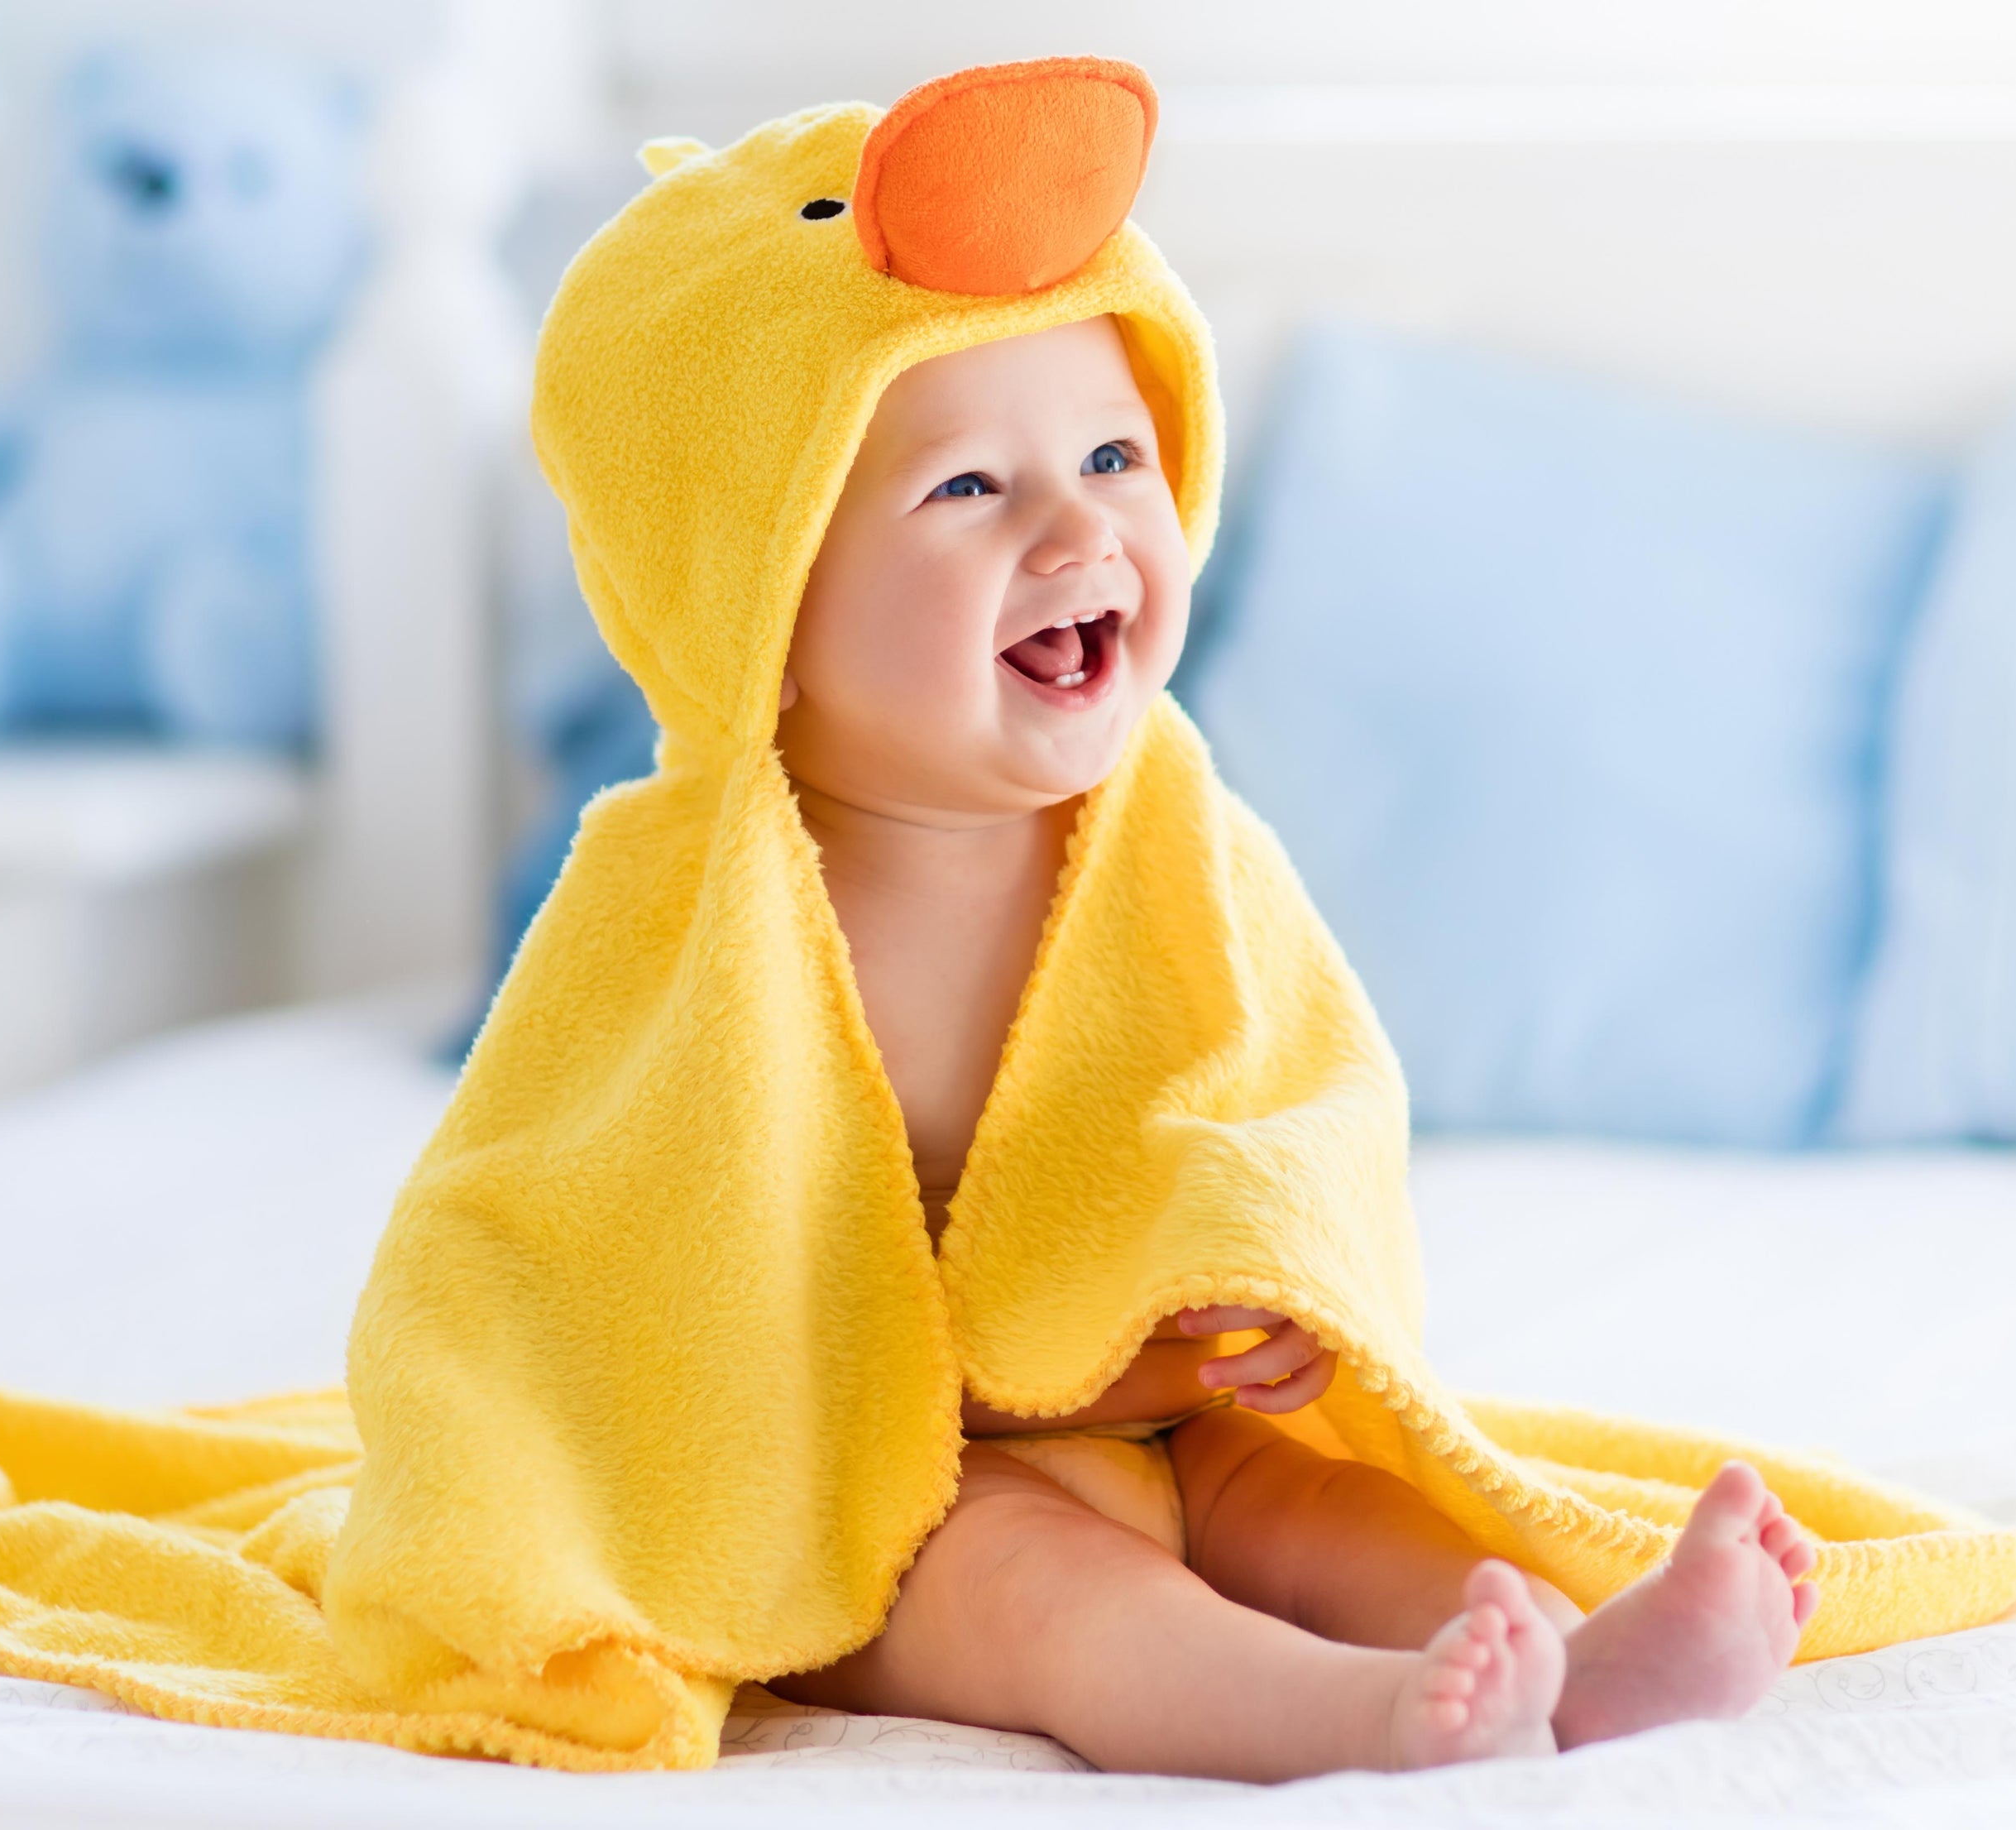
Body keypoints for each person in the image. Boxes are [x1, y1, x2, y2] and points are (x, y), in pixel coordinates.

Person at [755, 312, 1817, 1777]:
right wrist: (1056, 1375)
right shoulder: (729, 930)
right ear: (764, 608)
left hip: (1183, 1429)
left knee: (1335, 1518)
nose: (1079, 525)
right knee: (1055, 1601)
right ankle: (1366, 1720)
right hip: (889, 1494)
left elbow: (1302, 1093)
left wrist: (1285, 1282)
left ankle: (1585, 1658)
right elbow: (675, 1281)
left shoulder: (1179, 852)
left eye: (1114, 455)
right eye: (968, 488)